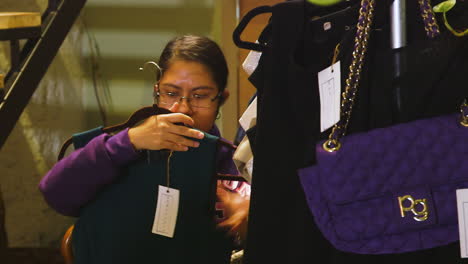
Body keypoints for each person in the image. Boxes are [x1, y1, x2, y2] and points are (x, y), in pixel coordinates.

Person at [39, 35, 250, 247]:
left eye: (200, 96)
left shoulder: (233, 168)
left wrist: (254, 220)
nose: (183, 108)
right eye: (170, 93)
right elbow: (56, 193)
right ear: (156, 91)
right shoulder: (122, 148)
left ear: (221, 100)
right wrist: (127, 142)